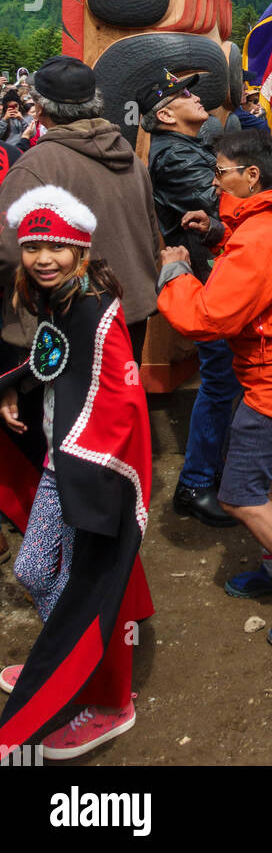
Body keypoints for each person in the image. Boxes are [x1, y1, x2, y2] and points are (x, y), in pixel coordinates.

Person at [157, 130, 272, 647]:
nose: (215, 179)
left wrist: (174, 273)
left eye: (220, 172)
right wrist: (220, 234)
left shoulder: (260, 235)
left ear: (251, 175)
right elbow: (269, 269)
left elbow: (207, 315)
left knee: (239, 494)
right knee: (256, 478)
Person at [0, 185, 152, 759]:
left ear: (81, 251)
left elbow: (122, 395)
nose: (43, 257)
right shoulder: (56, 298)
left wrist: (86, 467)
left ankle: (107, 698)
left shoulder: (93, 308)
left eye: (57, 247)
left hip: (86, 470)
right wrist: (17, 386)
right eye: (33, 245)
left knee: (82, 585)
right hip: (61, 464)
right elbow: (55, 359)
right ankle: (63, 658)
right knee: (46, 574)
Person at [0, 56, 160, 368]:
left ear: (41, 108)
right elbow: (153, 239)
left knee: (61, 415)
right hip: (129, 317)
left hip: (62, 326)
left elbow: (7, 253)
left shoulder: (36, 167)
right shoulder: (129, 157)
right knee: (117, 411)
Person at [139, 68, 243, 528]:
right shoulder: (176, 156)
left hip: (212, 274)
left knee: (226, 380)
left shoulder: (188, 147)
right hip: (204, 279)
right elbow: (227, 203)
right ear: (165, 113)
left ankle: (213, 472)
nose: (196, 97)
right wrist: (257, 177)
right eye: (183, 93)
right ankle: (196, 483)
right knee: (221, 381)